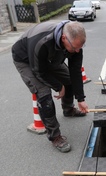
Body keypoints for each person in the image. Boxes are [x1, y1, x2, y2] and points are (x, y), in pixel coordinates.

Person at [12, 20, 89, 153]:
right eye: (75, 48)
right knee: (43, 92)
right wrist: (58, 86)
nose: (77, 51)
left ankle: (68, 109)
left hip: (48, 58)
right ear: (64, 38)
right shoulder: (43, 42)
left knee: (69, 79)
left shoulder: (75, 44)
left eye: (79, 48)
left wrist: (81, 99)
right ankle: (55, 136)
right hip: (26, 59)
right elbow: (39, 71)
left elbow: (75, 71)